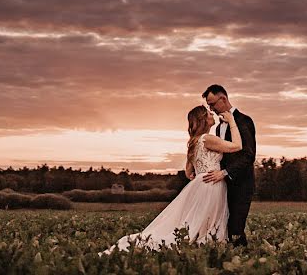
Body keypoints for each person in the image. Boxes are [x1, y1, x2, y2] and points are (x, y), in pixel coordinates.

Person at [101, 104, 242, 253]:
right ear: (203, 119)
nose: (212, 115)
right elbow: (237, 146)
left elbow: (189, 173)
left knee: (196, 220)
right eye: (209, 114)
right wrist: (232, 121)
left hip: (201, 184)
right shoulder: (207, 138)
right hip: (211, 184)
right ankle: (205, 248)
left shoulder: (194, 141)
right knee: (206, 221)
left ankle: (199, 246)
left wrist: (200, 172)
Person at [201, 84, 256, 246]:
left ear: (223, 98)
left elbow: (248, 155)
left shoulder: (244, 120)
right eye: (208, 105)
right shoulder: (218, 128)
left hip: (242, 185)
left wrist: (225, 172)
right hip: (223, 186)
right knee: (225, 227)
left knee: (236, 228)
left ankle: (243, 262)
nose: (211, 109)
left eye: (212, 104)